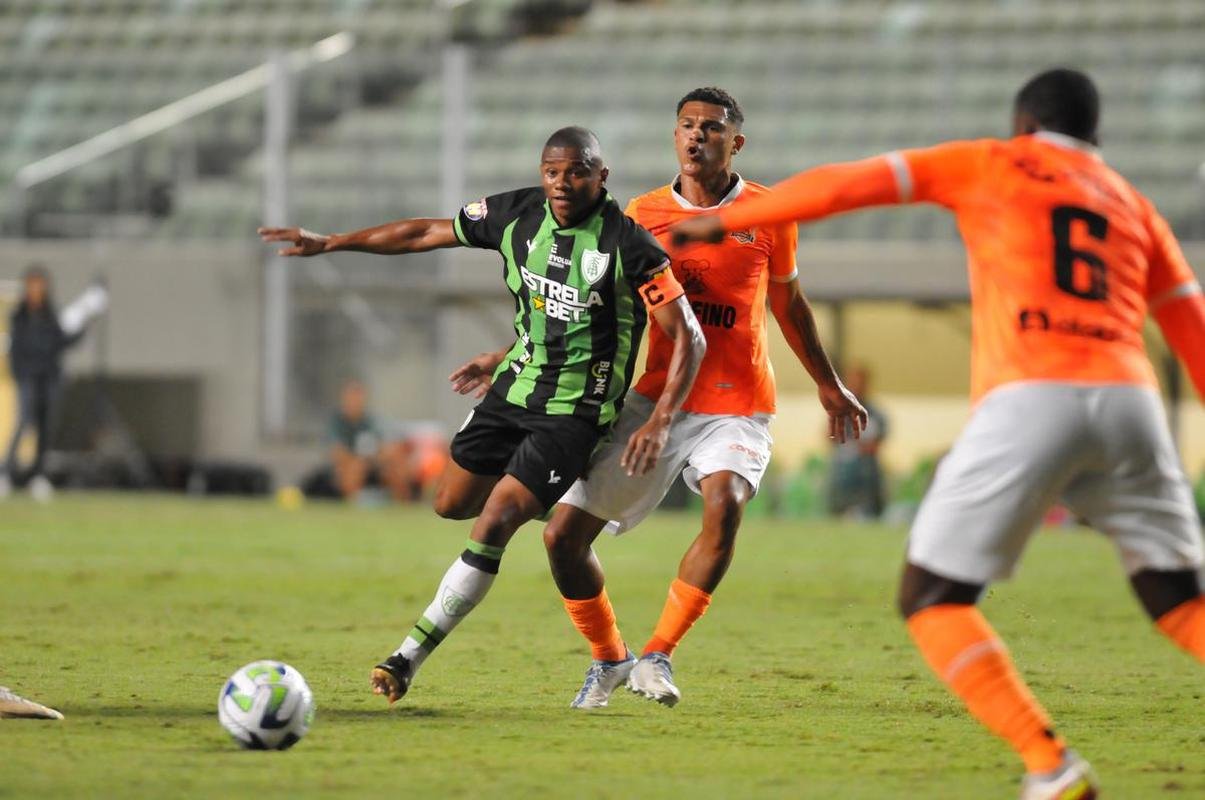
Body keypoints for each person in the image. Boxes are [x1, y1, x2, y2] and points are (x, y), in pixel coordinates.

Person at [672, 68, 1204, 800]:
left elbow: (842, 186)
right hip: (1129, 402)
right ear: (1096, 138)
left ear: (1022, 124)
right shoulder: (1135, 207)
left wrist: (724, 221)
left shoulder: (987, 161)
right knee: (1178, 598)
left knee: (934, 597)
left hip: (1030, 395)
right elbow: (1192, 333)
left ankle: (1049, 764)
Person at [259, 126, 706, 704]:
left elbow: (688, 338)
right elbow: (426, 231)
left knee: (495, 521)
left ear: (602, 176)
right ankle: (605, 641)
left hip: (577, 413)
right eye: (552, 171)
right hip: (513, 389)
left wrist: (660, 418)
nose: (562, 183)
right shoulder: (517, 214)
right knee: (452, 503)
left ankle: (407, 657)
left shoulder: (630, 245)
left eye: (576, 172)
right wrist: (334, 243)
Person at [452, 88, 866, 709]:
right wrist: (509, 355)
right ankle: (609, 658)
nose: (697, 136)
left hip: (738, 401)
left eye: (712, 127)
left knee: (724, 505)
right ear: (674, 137)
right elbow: (584, 310)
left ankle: (658, 656)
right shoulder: (640, 217)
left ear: (736, 142)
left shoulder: (772, 212)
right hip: (653, 402)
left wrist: (829, 385)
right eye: (687, 126)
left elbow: (789, 304)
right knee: (562, 538)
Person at [1, 266, 107, 501]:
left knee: (46, 426)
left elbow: (63, 342)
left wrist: (87, 320)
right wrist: (20, 374)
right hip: (28, 377)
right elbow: (16, 350)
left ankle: (38, 475)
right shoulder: (19, 317)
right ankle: (5, 472)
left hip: (49, 378)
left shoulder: (51, 316)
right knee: (24, 421)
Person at [326, 379, 414, 502]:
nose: (355, 401)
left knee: (397, 465)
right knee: (354, 469)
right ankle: (355, 504)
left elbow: (388, 444)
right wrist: (360, 461)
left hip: (374, 462)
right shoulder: (337, 422)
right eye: (351, 397)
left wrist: (379, 457)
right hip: (351, 466)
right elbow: (338, 453)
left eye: (358, 397)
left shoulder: (372, 420)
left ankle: (403, 505)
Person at [827, 365, 888, 519]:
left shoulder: (876, 414)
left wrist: (857, 448)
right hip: (843, 468)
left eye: (860, 382)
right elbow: (829, 437)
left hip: (865, 469)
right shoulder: (839, 411)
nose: (856, 386)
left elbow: (877, 443)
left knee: (866, 469)